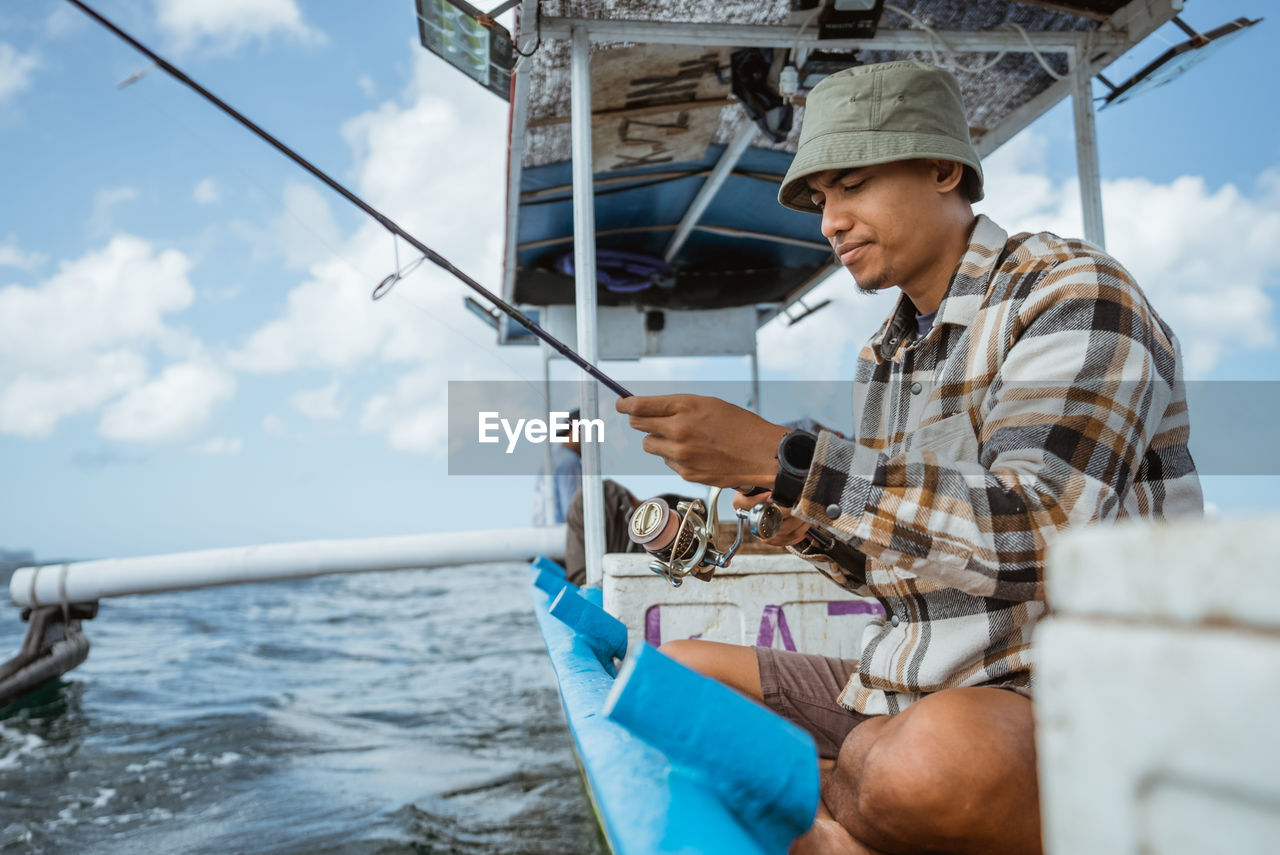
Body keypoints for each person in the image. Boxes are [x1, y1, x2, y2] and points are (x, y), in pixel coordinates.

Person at [616, 60, 1202, 855]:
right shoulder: (885, 352)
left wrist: (792, 460)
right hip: (906, 686)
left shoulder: (1073, 291)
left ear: (943, 168)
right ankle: (842, 803)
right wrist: (806, 522)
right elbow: (904, 565)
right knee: (670, 676)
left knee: (927, 768)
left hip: (1064, 702)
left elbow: (1046, 535)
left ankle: (831, 806)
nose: (830, 221)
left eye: (852, 184)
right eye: (822, 200)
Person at [532, 408, 582, 526]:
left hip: (543, 535)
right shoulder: (570, 462)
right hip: (563, 537)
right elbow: (574, 514)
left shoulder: (550, 461)